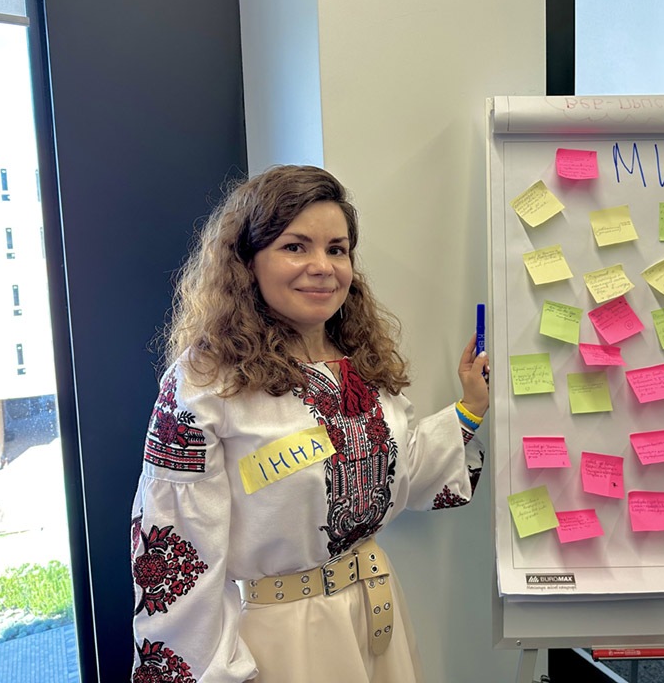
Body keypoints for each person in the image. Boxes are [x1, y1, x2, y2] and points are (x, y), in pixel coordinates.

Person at [129, 165, 490, 682]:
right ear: (247, 262)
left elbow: (403, 472)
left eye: (336, 249)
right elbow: (177, 552)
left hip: (375, 612)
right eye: (295, 247)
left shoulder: (361, 363)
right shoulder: (204, 385)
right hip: (282, 641)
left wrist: (469, 408)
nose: (322, 267)